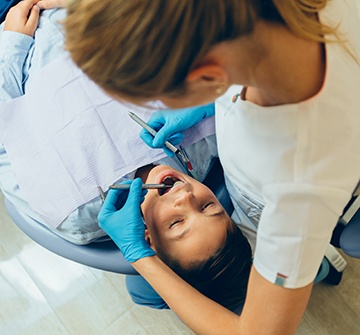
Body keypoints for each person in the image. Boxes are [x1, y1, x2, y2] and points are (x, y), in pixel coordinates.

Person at [65, 0, 360, 333]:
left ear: (207, 75)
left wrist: (140, 257)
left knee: (146, 292)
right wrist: (213, 105)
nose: (182, 198)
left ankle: (309, 265)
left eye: (160, 97)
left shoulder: (299, 187)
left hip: (271, 217)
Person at [0, 0, 253, 314]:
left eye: (176, 223)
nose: (186, 197)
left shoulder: (75, 213)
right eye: (208, 205)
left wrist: (13, 43)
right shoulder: (204, 143)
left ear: (148, 239)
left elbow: (4, 141)